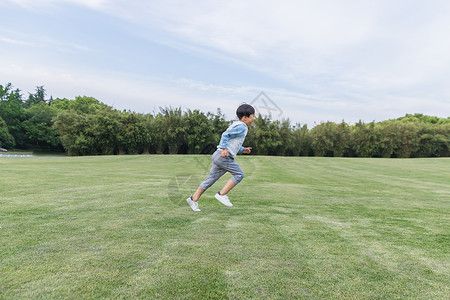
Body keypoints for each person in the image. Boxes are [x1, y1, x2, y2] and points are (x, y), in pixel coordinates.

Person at [186, 104, 255, 211]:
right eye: (252, 116)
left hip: (218, 155)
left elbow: (233, 142)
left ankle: (193, 199)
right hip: (223, 156)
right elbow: (225, 135)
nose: (254, 119)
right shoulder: (242, 126)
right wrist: (224, 149)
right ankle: (222, 194)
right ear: (245, 117)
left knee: (210, 179)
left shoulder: (237, 125)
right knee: (239, 174)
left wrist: (242, 149)